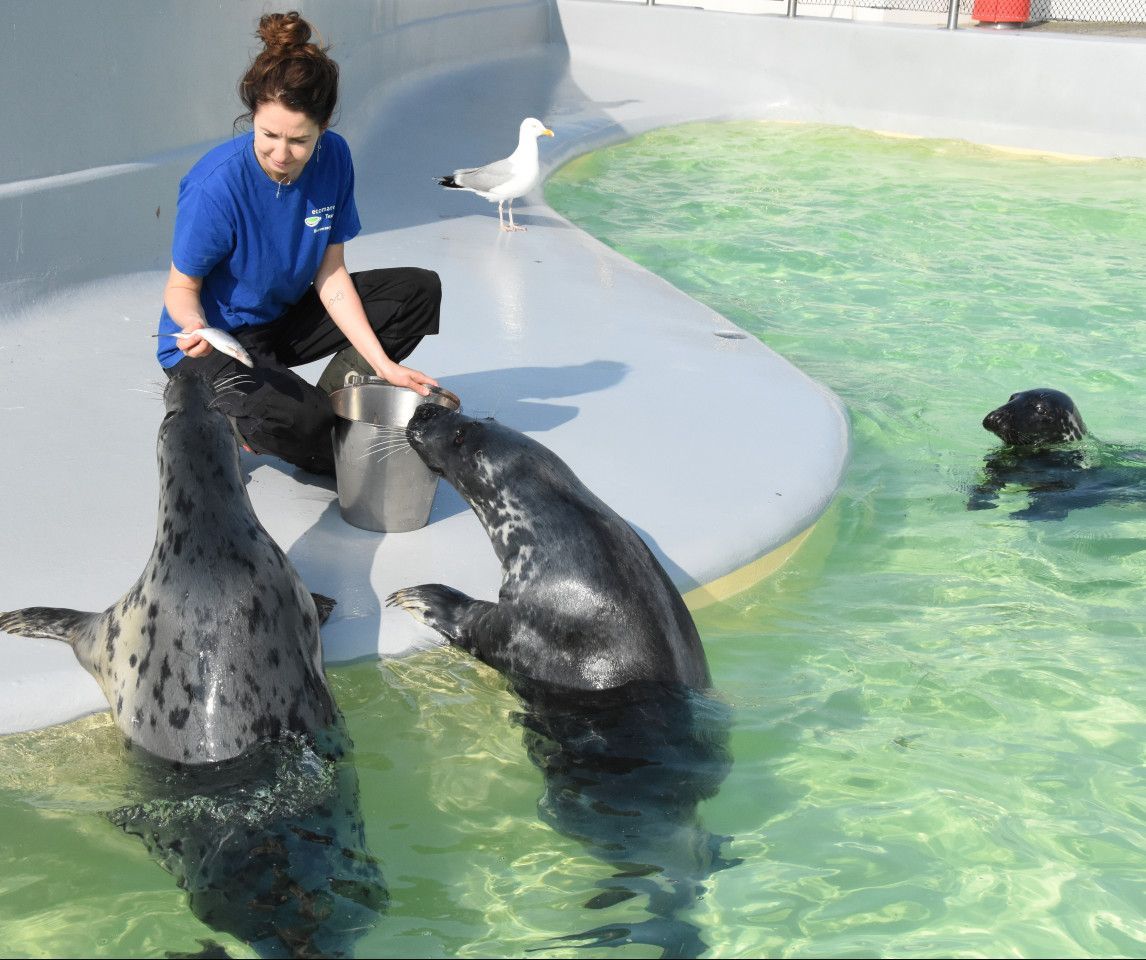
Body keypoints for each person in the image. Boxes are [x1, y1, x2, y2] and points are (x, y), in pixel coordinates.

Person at [156, 10, 440, 476]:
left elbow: (331, 275)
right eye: (268, 135)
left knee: (417, 293)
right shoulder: (216, 186)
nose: (281, 154)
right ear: (252, 117)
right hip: (218, 341)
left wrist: (383, 365)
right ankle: (238, 414)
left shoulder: (336, 159)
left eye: (299, 141)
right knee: (315, 433)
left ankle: (326, 404)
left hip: (283, 317)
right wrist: (195, 330)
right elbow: (180, 289)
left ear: (322, 129)